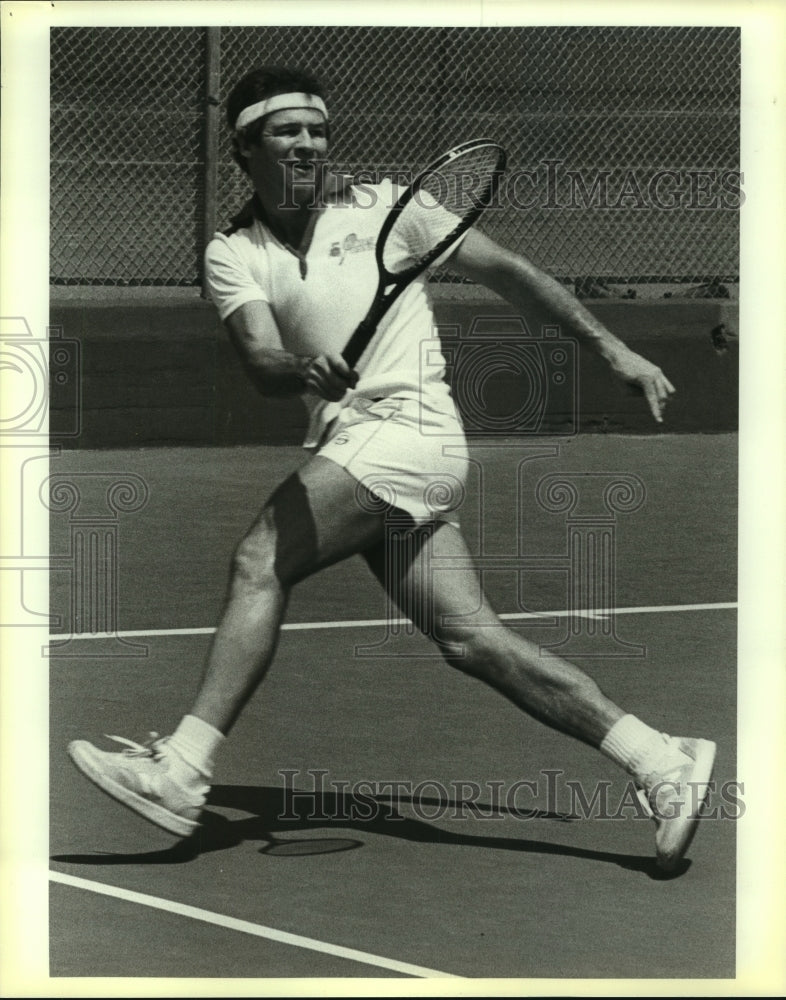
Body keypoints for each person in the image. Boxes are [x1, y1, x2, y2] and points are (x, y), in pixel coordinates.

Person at [68, 65, 716, 875]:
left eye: (317, 130)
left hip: (406, 435)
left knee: (260, 558)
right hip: (363, 449)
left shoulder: (389, 206)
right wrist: (303, 371)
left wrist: (612, 348)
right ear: (242, 147)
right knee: (474, 641)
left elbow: (510, 272)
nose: (307, 144)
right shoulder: (234, 250)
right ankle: (663, 761)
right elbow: (261, 358)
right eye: (285, 131)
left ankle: (184, 769)